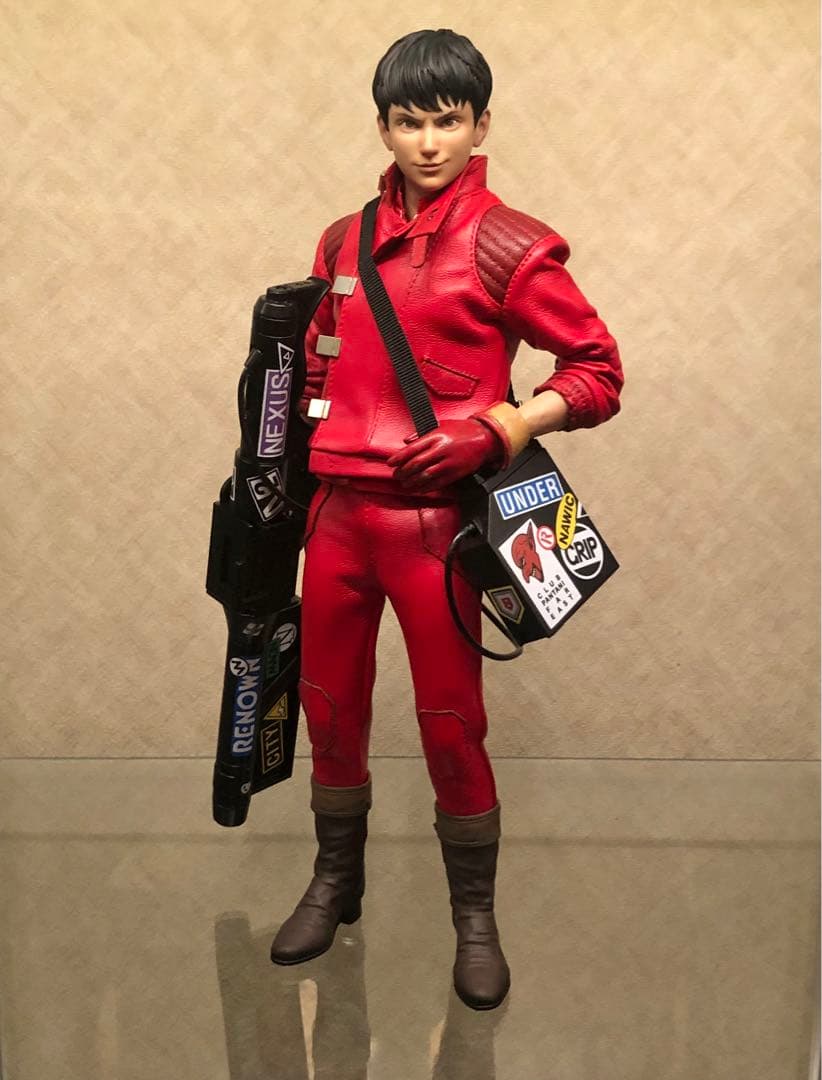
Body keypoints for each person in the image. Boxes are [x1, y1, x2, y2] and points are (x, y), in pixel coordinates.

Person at [270, 28, 623, 1011]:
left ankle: (475, 918)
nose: (428, 142)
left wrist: (500, 427)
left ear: (480, 126)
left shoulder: (509, 244)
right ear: (382, 127)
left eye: (448, 120)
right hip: (338, 516)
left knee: (451, 722)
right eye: (408, 121)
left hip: (435, 528)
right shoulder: (341, 241)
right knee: (328, 707)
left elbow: (598, 370)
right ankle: (334, 881)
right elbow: (316, 365)